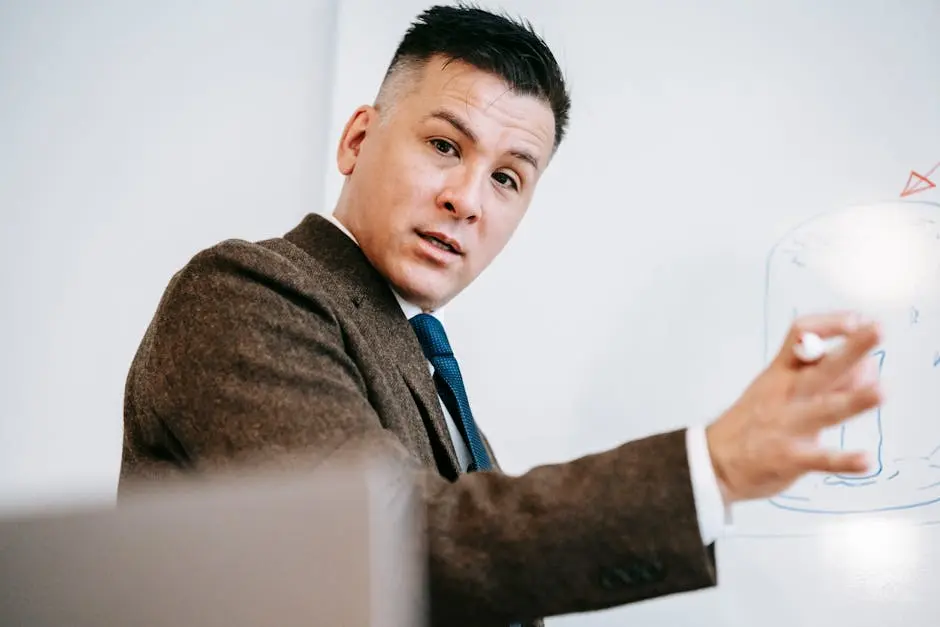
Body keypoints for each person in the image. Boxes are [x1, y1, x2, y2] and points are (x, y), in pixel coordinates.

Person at [118, 4, 883, 626]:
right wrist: (705, 468)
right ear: (357, 139)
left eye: (509, 178)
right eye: (445, 145)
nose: (468, 199)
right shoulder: (247, 291)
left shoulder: (424, 365)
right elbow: (390, 549)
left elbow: (483, 578)